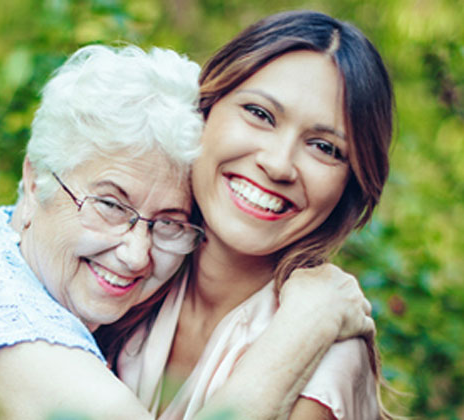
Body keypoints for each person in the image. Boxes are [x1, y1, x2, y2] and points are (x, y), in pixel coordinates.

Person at [0, 38, 378, 419]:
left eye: (169, 222)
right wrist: (307, 322)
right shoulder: (5, 328)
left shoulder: (35, 264)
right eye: (109, 205)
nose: (135, 254)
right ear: (34, 180)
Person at [96, 10, 395, 420]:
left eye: (324, 147)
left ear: (350, 186)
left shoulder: (326, 363)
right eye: (260, 114)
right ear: (205, 109)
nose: (278, 165)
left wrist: (301, 331)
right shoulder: (122, 268)